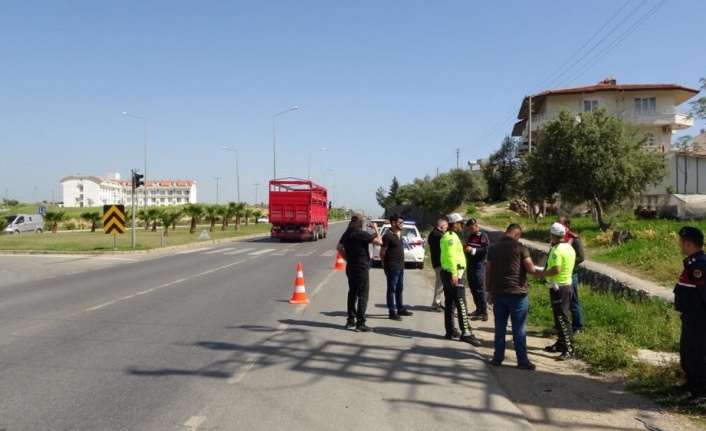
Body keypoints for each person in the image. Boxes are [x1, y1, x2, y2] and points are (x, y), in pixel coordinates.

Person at [486, 223, 538, 370]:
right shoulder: (521, 248)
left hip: (499, 293)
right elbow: (531, 269)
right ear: (516, 234)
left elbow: (488, 272)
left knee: (500, 327)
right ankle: (522, 361)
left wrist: (488, 292)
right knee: (518, 328)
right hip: (517, 294)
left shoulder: (493, 249)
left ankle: (497, 358)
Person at [673, 226, 706, 405]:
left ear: (688, 244)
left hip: (699, 318)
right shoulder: (692, 263)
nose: (680, 244)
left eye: (681, 241)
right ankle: (691, 383)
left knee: (697, 353)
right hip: (690, 316)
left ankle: (702, 390)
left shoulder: (698, 266)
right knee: (687, 351)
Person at [535, 222, 576, 360]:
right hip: (566, 285)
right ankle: (560, 343)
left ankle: (569, 349)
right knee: (558, 318)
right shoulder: (569, 247)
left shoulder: (556, 250)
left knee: (562, 319)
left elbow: (556, 269)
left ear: (553, 235)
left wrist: (542, 274)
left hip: (559, 287)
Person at [440, 213, 481, 346]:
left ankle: (450, 330)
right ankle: (466, 333)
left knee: (450, 303)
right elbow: (451, 256)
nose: (463, 226)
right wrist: (454, 274)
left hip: (448, 272)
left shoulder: (447, 236)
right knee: (461, 303)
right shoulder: (451, 237)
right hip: (454, 273)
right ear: (455, 224)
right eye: (461, 223)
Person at [336, 216, 382, 332]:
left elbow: (339, 248)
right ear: (360, 223)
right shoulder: (362, 234)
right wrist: (376, 229)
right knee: (363, 295)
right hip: (361, 268)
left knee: (352, 293)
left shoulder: (347, 234)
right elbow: (379, 242)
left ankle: (350, 320)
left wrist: (347, 259)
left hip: (350, 267)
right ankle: (360, 323)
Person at [380, 214, 413, 320]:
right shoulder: (387, 236)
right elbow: (382, 252)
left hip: (400, 266)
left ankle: (400, 308)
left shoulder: (399, 234)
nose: (402, 224)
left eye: (403, 222)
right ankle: (392, 312)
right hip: (392, 266)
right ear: (393, 223)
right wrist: (384, 263)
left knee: (400, 288)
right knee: (391, 289)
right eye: (400, 222)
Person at [557, 216, 585, 333]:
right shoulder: (557, 238)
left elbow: (581, 257)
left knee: (573, 300)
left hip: (571, 273)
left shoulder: (574, 239)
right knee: (560, 302)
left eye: (560, 224)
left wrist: (567, 265)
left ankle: (578, 326)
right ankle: (561, 326)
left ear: (567, 225)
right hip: (559, 274)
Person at [464, 218, 489, 321]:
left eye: (471, 228)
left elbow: (486, 249)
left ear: (477, 226)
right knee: (472, 287)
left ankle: (484, 312)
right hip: (470, 264)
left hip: (479, 265)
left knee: (479, 288)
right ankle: (478, 309)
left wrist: (473, 250)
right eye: (468, 228)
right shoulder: (470, 236)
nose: (470, 230)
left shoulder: (482, 236)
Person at [428, 218, 448, 312]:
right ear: (442, 226)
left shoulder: (432, 234)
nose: (446, 229)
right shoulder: (439, 236)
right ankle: (436, 304)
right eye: (446, 227)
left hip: (436, 262)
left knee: (440, 283)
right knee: (440, 284)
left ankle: (437, 302)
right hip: (440, 263)